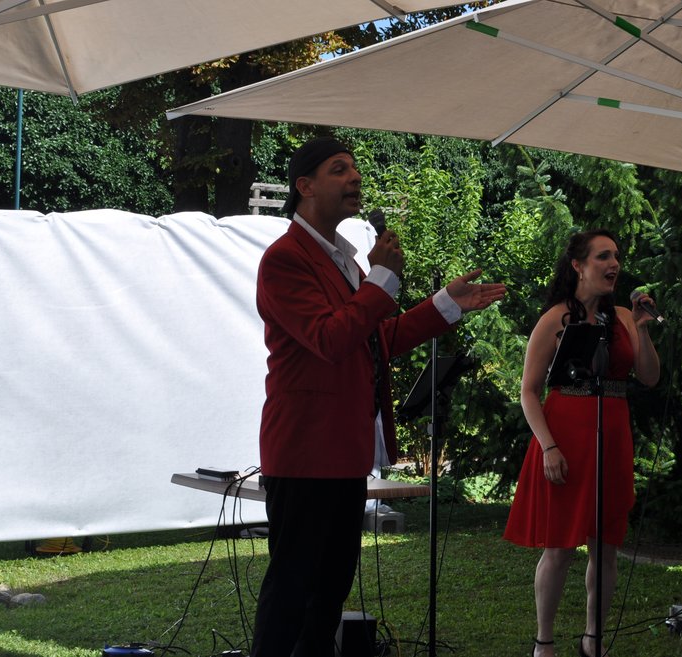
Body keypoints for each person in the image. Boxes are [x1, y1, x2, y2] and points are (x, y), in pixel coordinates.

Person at [250, 136, 506, 657]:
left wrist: (443, 307)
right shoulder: (284, 259)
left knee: (328, 597)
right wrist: (384, 280)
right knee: (293, 596)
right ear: (304, 186)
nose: (355, 178)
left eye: (355, 169)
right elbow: (329, 337)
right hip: (304, 454)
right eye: (339, 170)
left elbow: (372, 342)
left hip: (344, 454)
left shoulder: (346, 260)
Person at [503, 229, 660, 657]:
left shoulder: (626, 317)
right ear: (578, 265)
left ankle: (594, 638)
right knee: (560, 548)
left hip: (612, 437)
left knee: (606, 547)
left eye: (617, 257)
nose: (615, 264)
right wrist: (549, 447)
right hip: (565, 438)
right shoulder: (555, 318)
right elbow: (528, 392)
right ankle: (544, 642)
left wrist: (643, 331)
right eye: (603, 256)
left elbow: (649, 377)